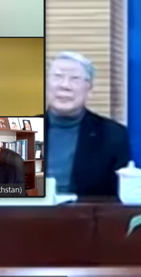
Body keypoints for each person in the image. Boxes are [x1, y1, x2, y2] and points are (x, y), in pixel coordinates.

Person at [45, 51, 131, 197]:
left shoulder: (113, 134)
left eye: (75, 79)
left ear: (89, 89)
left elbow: (119, 197)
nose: (65, 85)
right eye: (58, 76)